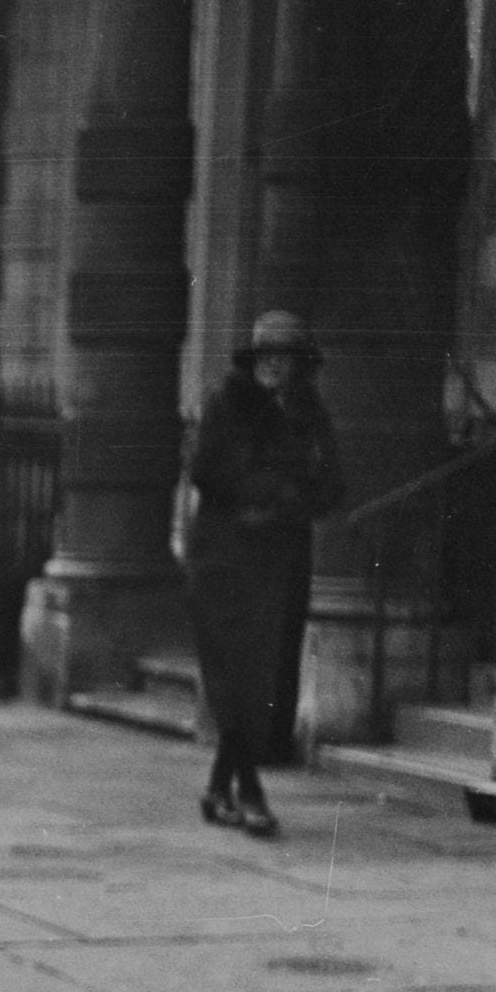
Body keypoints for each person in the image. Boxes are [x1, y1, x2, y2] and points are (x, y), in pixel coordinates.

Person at [182, 310, 343, 839]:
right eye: (267, 357)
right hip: (224, 556)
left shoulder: (311, 413)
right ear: (253, 360)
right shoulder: (225, 403)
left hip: (280, 557)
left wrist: (297, 498)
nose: (275, 367)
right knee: (236, 676)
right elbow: (205, 469)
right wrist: (268, 492)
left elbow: (333, 484)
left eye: (287, 359)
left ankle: (217, 788)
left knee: (263, 677)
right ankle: (249, 790)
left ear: (300, 365)